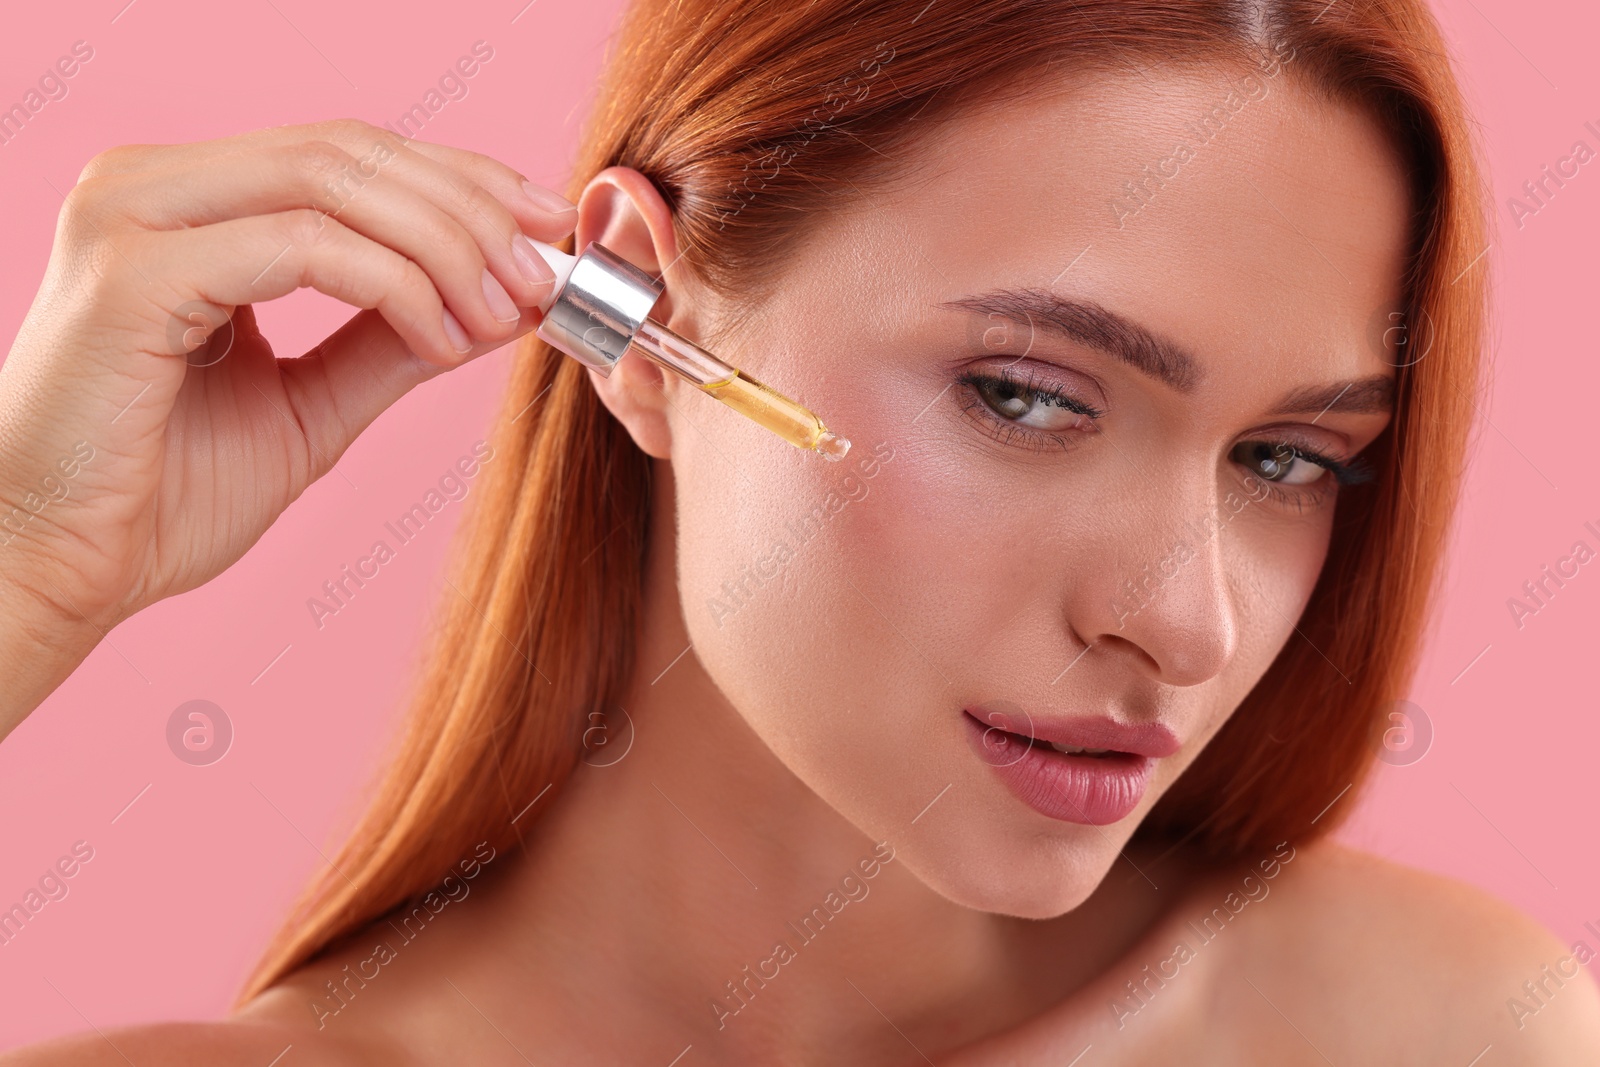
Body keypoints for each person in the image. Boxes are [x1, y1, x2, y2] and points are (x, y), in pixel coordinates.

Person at [2, 0, 1597, 1062]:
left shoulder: (1435, 1028)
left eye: (1287, 456)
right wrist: (24, 569)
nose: (1187, 625)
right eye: (1030, 396)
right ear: (645, 317)